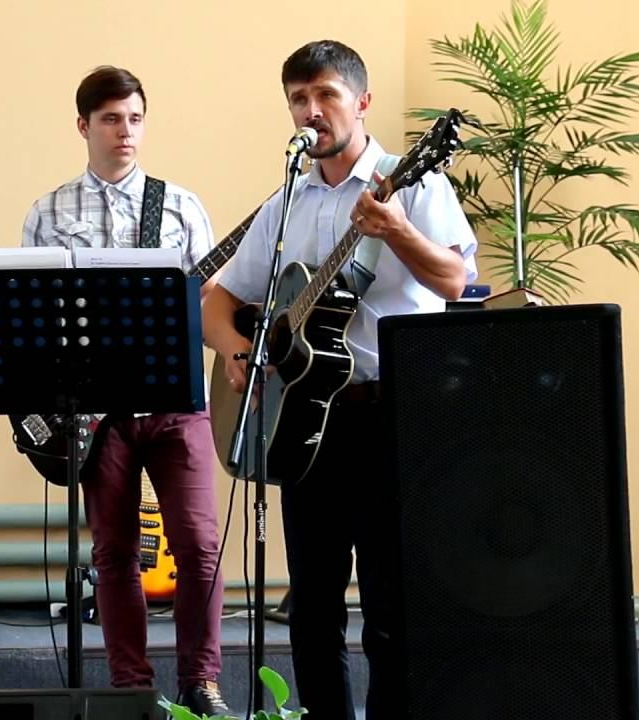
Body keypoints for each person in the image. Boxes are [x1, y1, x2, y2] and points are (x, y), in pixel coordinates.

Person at [200, 40, 479, 719]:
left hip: (391, 416)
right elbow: (216, 298)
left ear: (362, 101)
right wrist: (237, 350)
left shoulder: (411, 183)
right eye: (299, 99)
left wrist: (397, 230)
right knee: (312, 609)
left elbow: (456, 280)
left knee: (391, 609)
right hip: (305, 424)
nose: (312, 110)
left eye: (326, 94)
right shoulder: (287, 202)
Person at [20, 66, 230, 716]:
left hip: (175, 402)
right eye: (111, 119)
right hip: (97, 412)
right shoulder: (48, 213)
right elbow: (34, 316)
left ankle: (201, 682)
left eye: (135, 118)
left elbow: (208, 302)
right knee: (113, 553)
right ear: (83, 126)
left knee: (199, 545)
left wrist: (229, 345)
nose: (125, 131)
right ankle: (130, 688)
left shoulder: (181, 206)